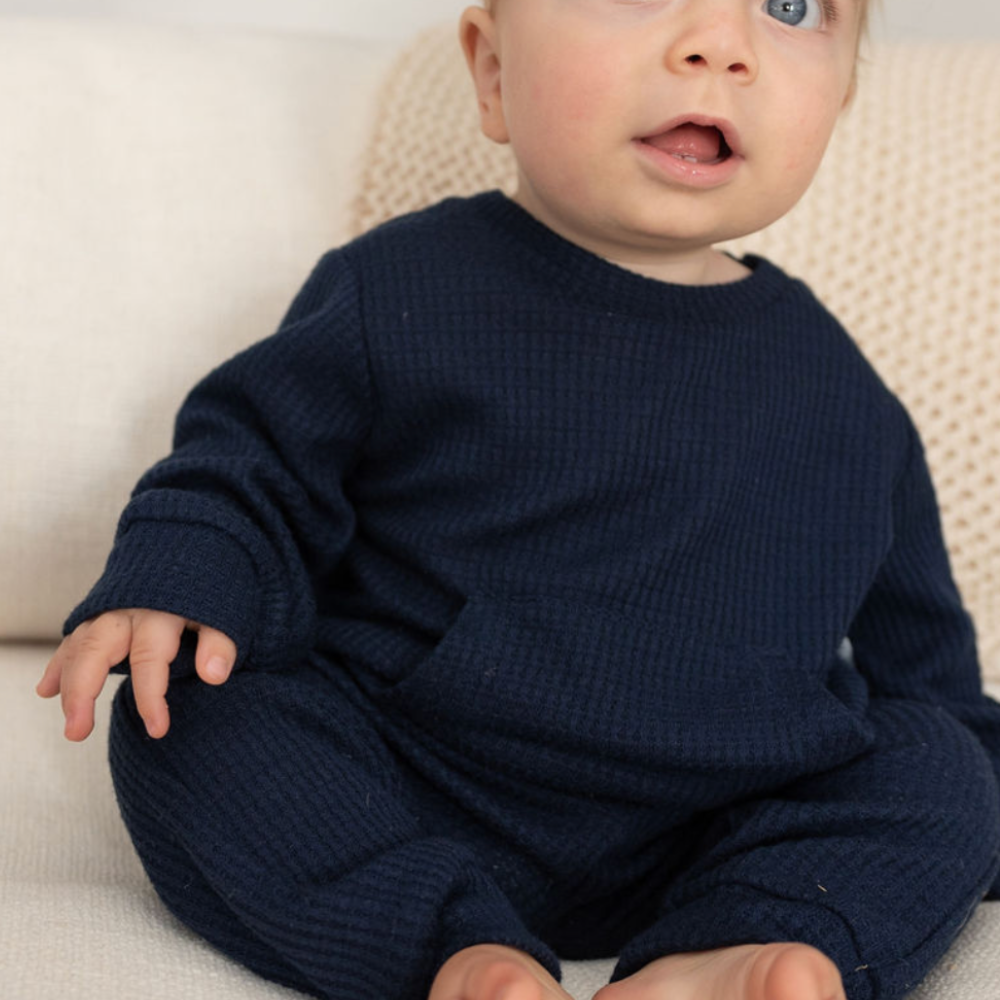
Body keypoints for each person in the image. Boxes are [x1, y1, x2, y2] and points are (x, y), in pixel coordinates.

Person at [36, 0, 1000, 998]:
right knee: (193, 707)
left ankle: (740, 945)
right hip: (417, 781)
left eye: (792, 7)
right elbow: (250, 468)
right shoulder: (399, 289)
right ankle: (454, 952)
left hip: (726, 819)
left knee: (936, 759)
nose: (717, 43)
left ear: (839, 99)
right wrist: (181, 578)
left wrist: (958, 807)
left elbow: (923, 664)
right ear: (493, 72)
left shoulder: (843, 391)